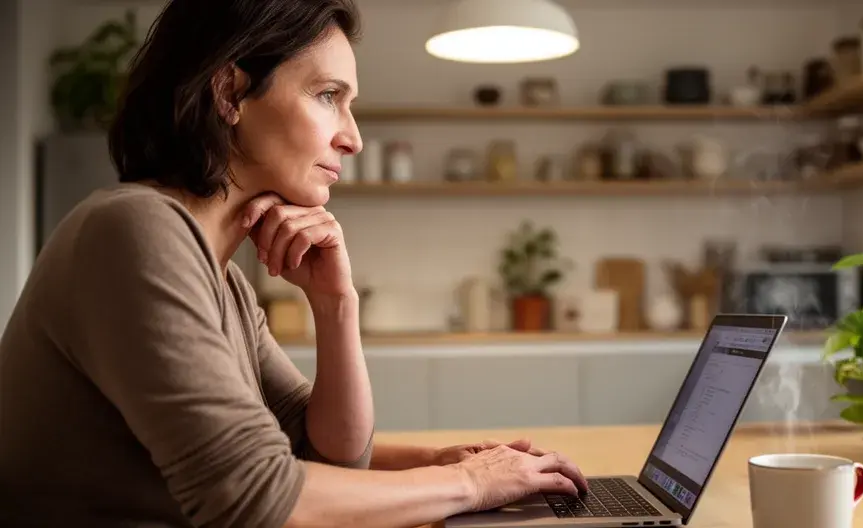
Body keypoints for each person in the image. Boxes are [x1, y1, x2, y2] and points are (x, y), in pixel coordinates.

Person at [0, 0, 589, 526]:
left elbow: (331, 454)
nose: (353, 138)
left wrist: (336, 305)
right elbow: (259, 499)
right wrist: (470, 483)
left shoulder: (222, 279)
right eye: (329, 96)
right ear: (229, 93)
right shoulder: (132, 229)